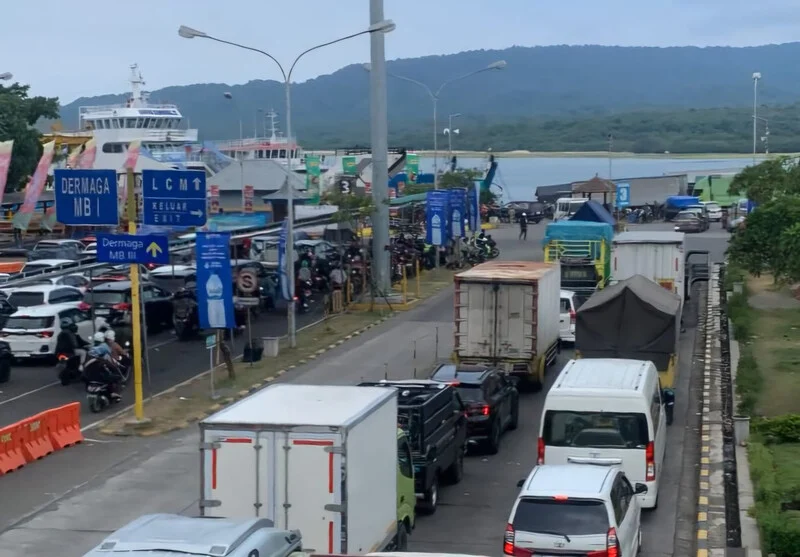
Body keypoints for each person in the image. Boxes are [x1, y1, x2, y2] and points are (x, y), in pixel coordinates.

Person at [85, 332, 121, 400]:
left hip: (89, 371)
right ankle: (114, 393)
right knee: (114, 377)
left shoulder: (92, 347)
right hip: (101, 369)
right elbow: (109, 354)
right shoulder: (104, 346)